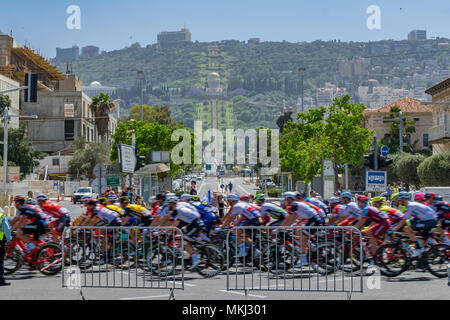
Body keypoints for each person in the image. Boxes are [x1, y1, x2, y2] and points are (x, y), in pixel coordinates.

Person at [0, 207, 12, 286]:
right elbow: (7, 229)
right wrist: (9, 238)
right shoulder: (2, 217)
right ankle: (1, 280)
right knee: (0, 261)